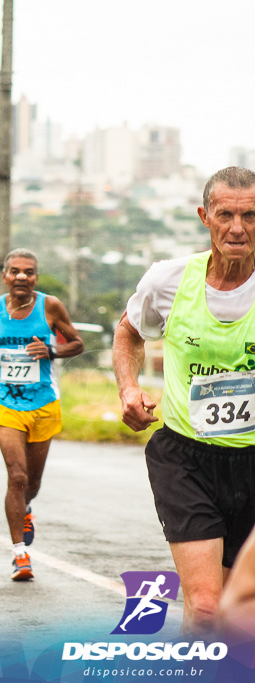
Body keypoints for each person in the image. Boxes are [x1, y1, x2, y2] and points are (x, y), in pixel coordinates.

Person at [115, 166, 255, 634]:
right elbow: (128, 332)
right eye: (226, 215)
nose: (238, 228)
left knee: (241, 613)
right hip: (186, 458)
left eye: (251, 215)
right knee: (206, 607)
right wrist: (129, 388)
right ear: (205, 216)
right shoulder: (167, 280)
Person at [0, 248, 83, 582]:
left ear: (36, 277)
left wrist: (52, 350)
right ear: (5, 275)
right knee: (18, 476)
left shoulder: (50, 306)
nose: (22, 277)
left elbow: (77, 343)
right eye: (15, 271)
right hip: (5, 402)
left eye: (29, 272)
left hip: (43, 403)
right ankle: (20, 555)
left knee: (32, 483)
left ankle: (25, 511)